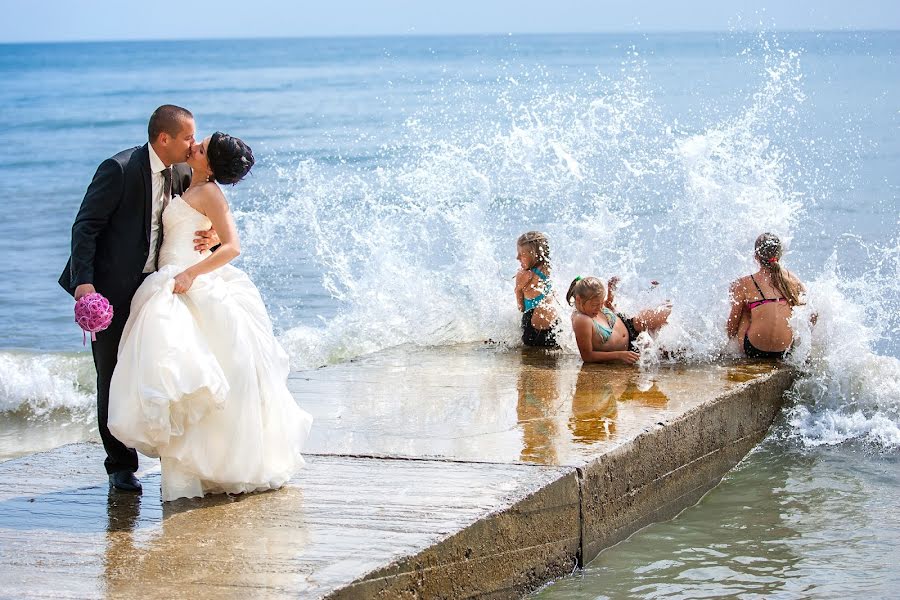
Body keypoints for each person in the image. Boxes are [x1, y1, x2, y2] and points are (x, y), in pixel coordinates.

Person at [106, 132, 312, 502]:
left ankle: (218, 465)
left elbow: (233, 246)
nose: (194, 146)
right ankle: (198, 469)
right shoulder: (189, 181)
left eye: (202, 148)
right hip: (171, 280)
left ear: (212, 165)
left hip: (187, 282)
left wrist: (191, 273)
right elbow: (207, 232)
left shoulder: (211, 192)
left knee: (201, 376)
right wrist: (209, 237)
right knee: (183, 376)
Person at [59, 105, 219, 493]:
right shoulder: (119, 169)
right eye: (187, 137)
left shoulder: (184, 172)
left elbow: (197, 219)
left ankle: (171, 454)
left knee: (163, 370)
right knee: (111, 375)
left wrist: (212, 239)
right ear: (163, 139)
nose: (194, 143)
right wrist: (85, 284)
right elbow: (85, 228)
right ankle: (119, 466)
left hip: (160, 289)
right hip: (109, 291)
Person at [726, 232, 806, 359]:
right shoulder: (792, 278)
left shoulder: (743, 283)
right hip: (785, 351)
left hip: (753, 349)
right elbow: (811, 312)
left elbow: (731, 328)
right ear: (779, 255)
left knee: (745, 311)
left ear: (756, 256)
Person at [567, 276, 671, 364]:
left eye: (600, 303)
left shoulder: (593, 305)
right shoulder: (581, 320)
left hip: (630, 323)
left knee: (667, 313)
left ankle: (654, 289)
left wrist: (610, 290)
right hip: (629, 349)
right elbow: (587, 357)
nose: (599, 308)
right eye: (595, 305)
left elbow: (608, 307)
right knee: (667, 353)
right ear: (578, 300)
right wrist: (619, 355)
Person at [514, 231, 559, 347]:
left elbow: (520, 305)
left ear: (534, 254)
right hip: (548, 322)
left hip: (532, 322)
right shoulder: (547, 269)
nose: (517, 257)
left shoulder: (524, 275)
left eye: (521, 254)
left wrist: (522, 307)